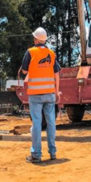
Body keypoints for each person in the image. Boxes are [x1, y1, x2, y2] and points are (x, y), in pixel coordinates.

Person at [20, 27, 61, 163]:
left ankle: (36, 154)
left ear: (36, 39)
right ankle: (53, 152)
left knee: (37, 124)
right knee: (51, 123)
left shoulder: (30, 52)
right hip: (49, 93)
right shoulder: (52, 53)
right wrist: (57, 90)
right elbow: (57, 73)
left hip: (35, 95)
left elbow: (24, 71)